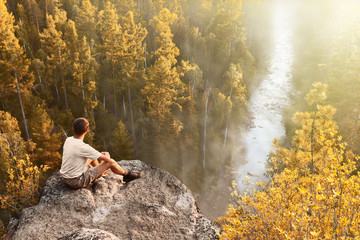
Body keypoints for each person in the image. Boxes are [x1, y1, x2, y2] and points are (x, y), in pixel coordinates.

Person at [60, 117, 142, 189]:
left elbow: (88, 153)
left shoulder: (69, 140)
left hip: (66, 178)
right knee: (111, 162)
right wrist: (107, 154)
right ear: (87, 130)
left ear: (73, 128)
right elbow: (108, 159)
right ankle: (127, 175)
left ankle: (101, 173)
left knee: (91, 156)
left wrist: (97, 154)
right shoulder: (83, 147)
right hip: (77, 181)